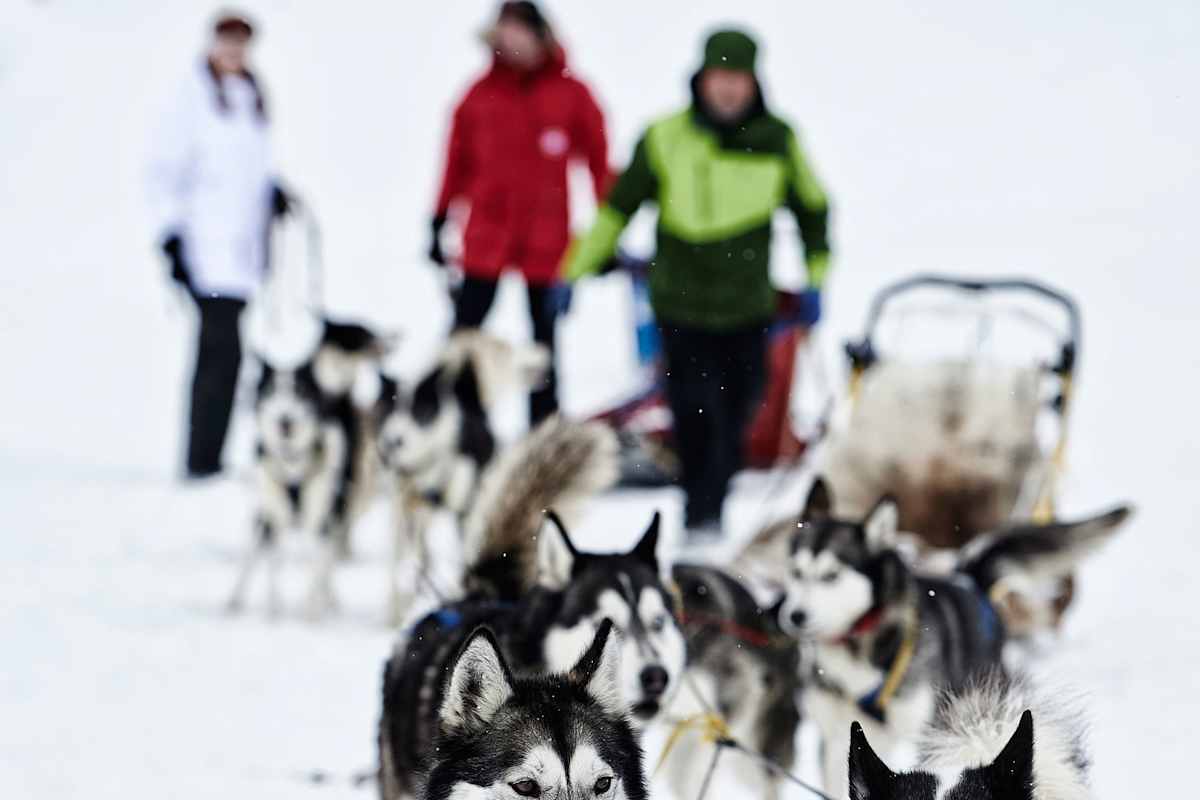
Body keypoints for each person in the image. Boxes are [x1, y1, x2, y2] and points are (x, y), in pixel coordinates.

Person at [565, 29, 832, 539]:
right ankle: (701, 514)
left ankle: (714, 499)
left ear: (754, 83)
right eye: (719, 78)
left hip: (747, 307)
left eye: (738, 80)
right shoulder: (665, 136)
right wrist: (574, 271)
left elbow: (814, 212)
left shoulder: (779, 141)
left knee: (739, 412)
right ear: (701, 79)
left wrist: (817, 280)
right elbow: (618, 208)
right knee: (694, 410)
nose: (727, 90)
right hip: (680, 304)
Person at [429, 1, 609, 424]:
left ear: (539, 36)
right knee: (464, 334)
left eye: (520, 32)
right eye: (504, 33)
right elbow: (455, 163)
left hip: (547, 238)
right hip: (486, 235)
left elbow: (598, 163)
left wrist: (606, 233)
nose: (512, 42)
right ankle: (453, 420)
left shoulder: (571, 94)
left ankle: (542, 433)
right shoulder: (478, 96)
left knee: (543, 342)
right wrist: (438, 219)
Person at [147, 12, 289, 478]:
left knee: (229, 353)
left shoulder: (251, 97)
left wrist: (273, 194)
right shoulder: (191, 100)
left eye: (241, 45)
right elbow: (164, 172)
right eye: (227, 43)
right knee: (217, 348)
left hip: (243, 251)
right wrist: (170, 237)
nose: (234, 53)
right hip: (204, 248)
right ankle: (200, 457)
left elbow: (249, 171)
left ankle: (212, 452)